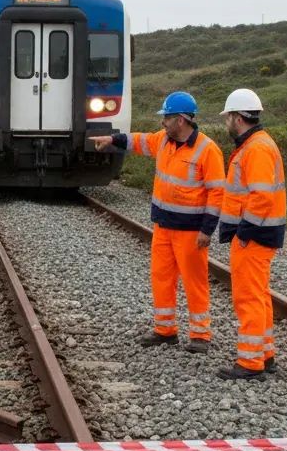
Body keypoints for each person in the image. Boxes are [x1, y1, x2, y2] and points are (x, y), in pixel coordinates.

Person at [92, 91, 225, 352]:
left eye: (167, 117)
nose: (162, 122)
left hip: (190, 231)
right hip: (163, 227)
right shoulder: (163, 141)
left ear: (181, 120)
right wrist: (111, 139)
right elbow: (138, 141)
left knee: (194, 281)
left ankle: (201, 335)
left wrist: (207, 230)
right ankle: (165, 330)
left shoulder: (208, 150)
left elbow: (217, 192)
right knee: (161, 278)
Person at [216, 88, 286, 381]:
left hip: (255, 235)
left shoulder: (256, 148)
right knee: (258, 295)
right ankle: (265, 355)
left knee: (248, 298)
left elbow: (261, 196)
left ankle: (250, 362)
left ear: (236, 117)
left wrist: (244, 231)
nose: (226, 123)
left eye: (228, 117)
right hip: (259, 233)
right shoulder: (255, 144)